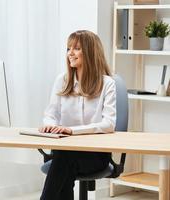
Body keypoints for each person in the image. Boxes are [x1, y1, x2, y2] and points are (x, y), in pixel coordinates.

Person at [39, 30, 116, 200]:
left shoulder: (107, 84)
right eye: (68, 48)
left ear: (89, 52)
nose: (70, 53)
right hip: (65, 152)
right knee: (65, 159)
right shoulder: (62, 80)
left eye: (76, 48)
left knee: (63, 160)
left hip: (95, 155)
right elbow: (50, 113)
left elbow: (109, 124)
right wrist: (49, 124)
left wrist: (72, 130)